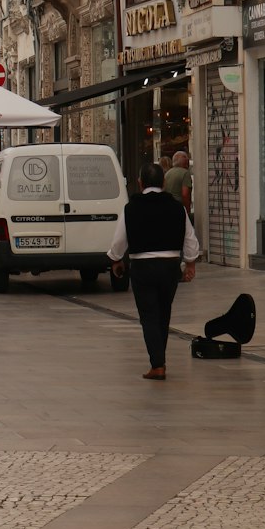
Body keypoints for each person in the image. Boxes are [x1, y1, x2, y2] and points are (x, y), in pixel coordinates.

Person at [108, 160, 199, 380]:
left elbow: (119, 240)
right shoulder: (176, 208)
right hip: (169, 267)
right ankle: (160, 360)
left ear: (140, 183)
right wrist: (190, 263)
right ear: (164, 182)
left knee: (149, 316)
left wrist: (116, 259)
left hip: (142, 267)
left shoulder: (130, 208)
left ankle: (158, 364)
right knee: (163, 313)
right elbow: (190, 238)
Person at [163, 150, 193, 216]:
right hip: (179, 209)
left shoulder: (168, 173)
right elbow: (185, 194)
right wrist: (187, 212)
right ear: (186, 163)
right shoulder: (185, 173)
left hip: (167, 208)